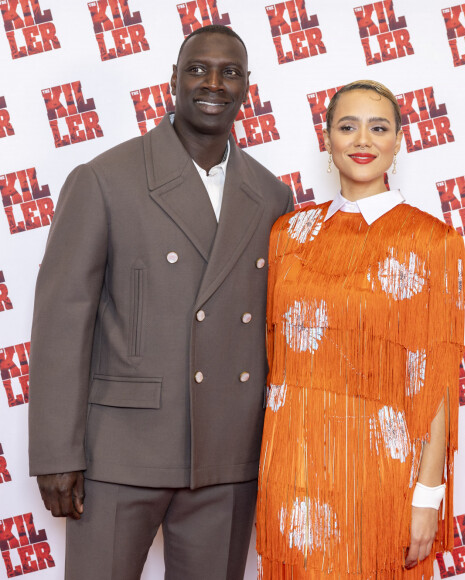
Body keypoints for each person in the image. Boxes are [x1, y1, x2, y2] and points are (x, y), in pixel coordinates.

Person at [28, 24, 293, 580]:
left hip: (227, 454)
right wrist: (57, 454)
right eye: (198, 69)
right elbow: (63, 320)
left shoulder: (272, 196)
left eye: (230, 72)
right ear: (172, 80)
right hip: (121, 451)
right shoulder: (105, 179)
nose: (213, 83)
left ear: (248, 87)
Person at [256, 80, 465, 579]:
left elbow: (435, 381)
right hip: (292, 462)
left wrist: (427, 494)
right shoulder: (288, 233)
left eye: (378, 127)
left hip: (380, 471)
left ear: (399, 140)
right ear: (327, 140)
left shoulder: (431, 240)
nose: (362, 141)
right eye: (347, 127)